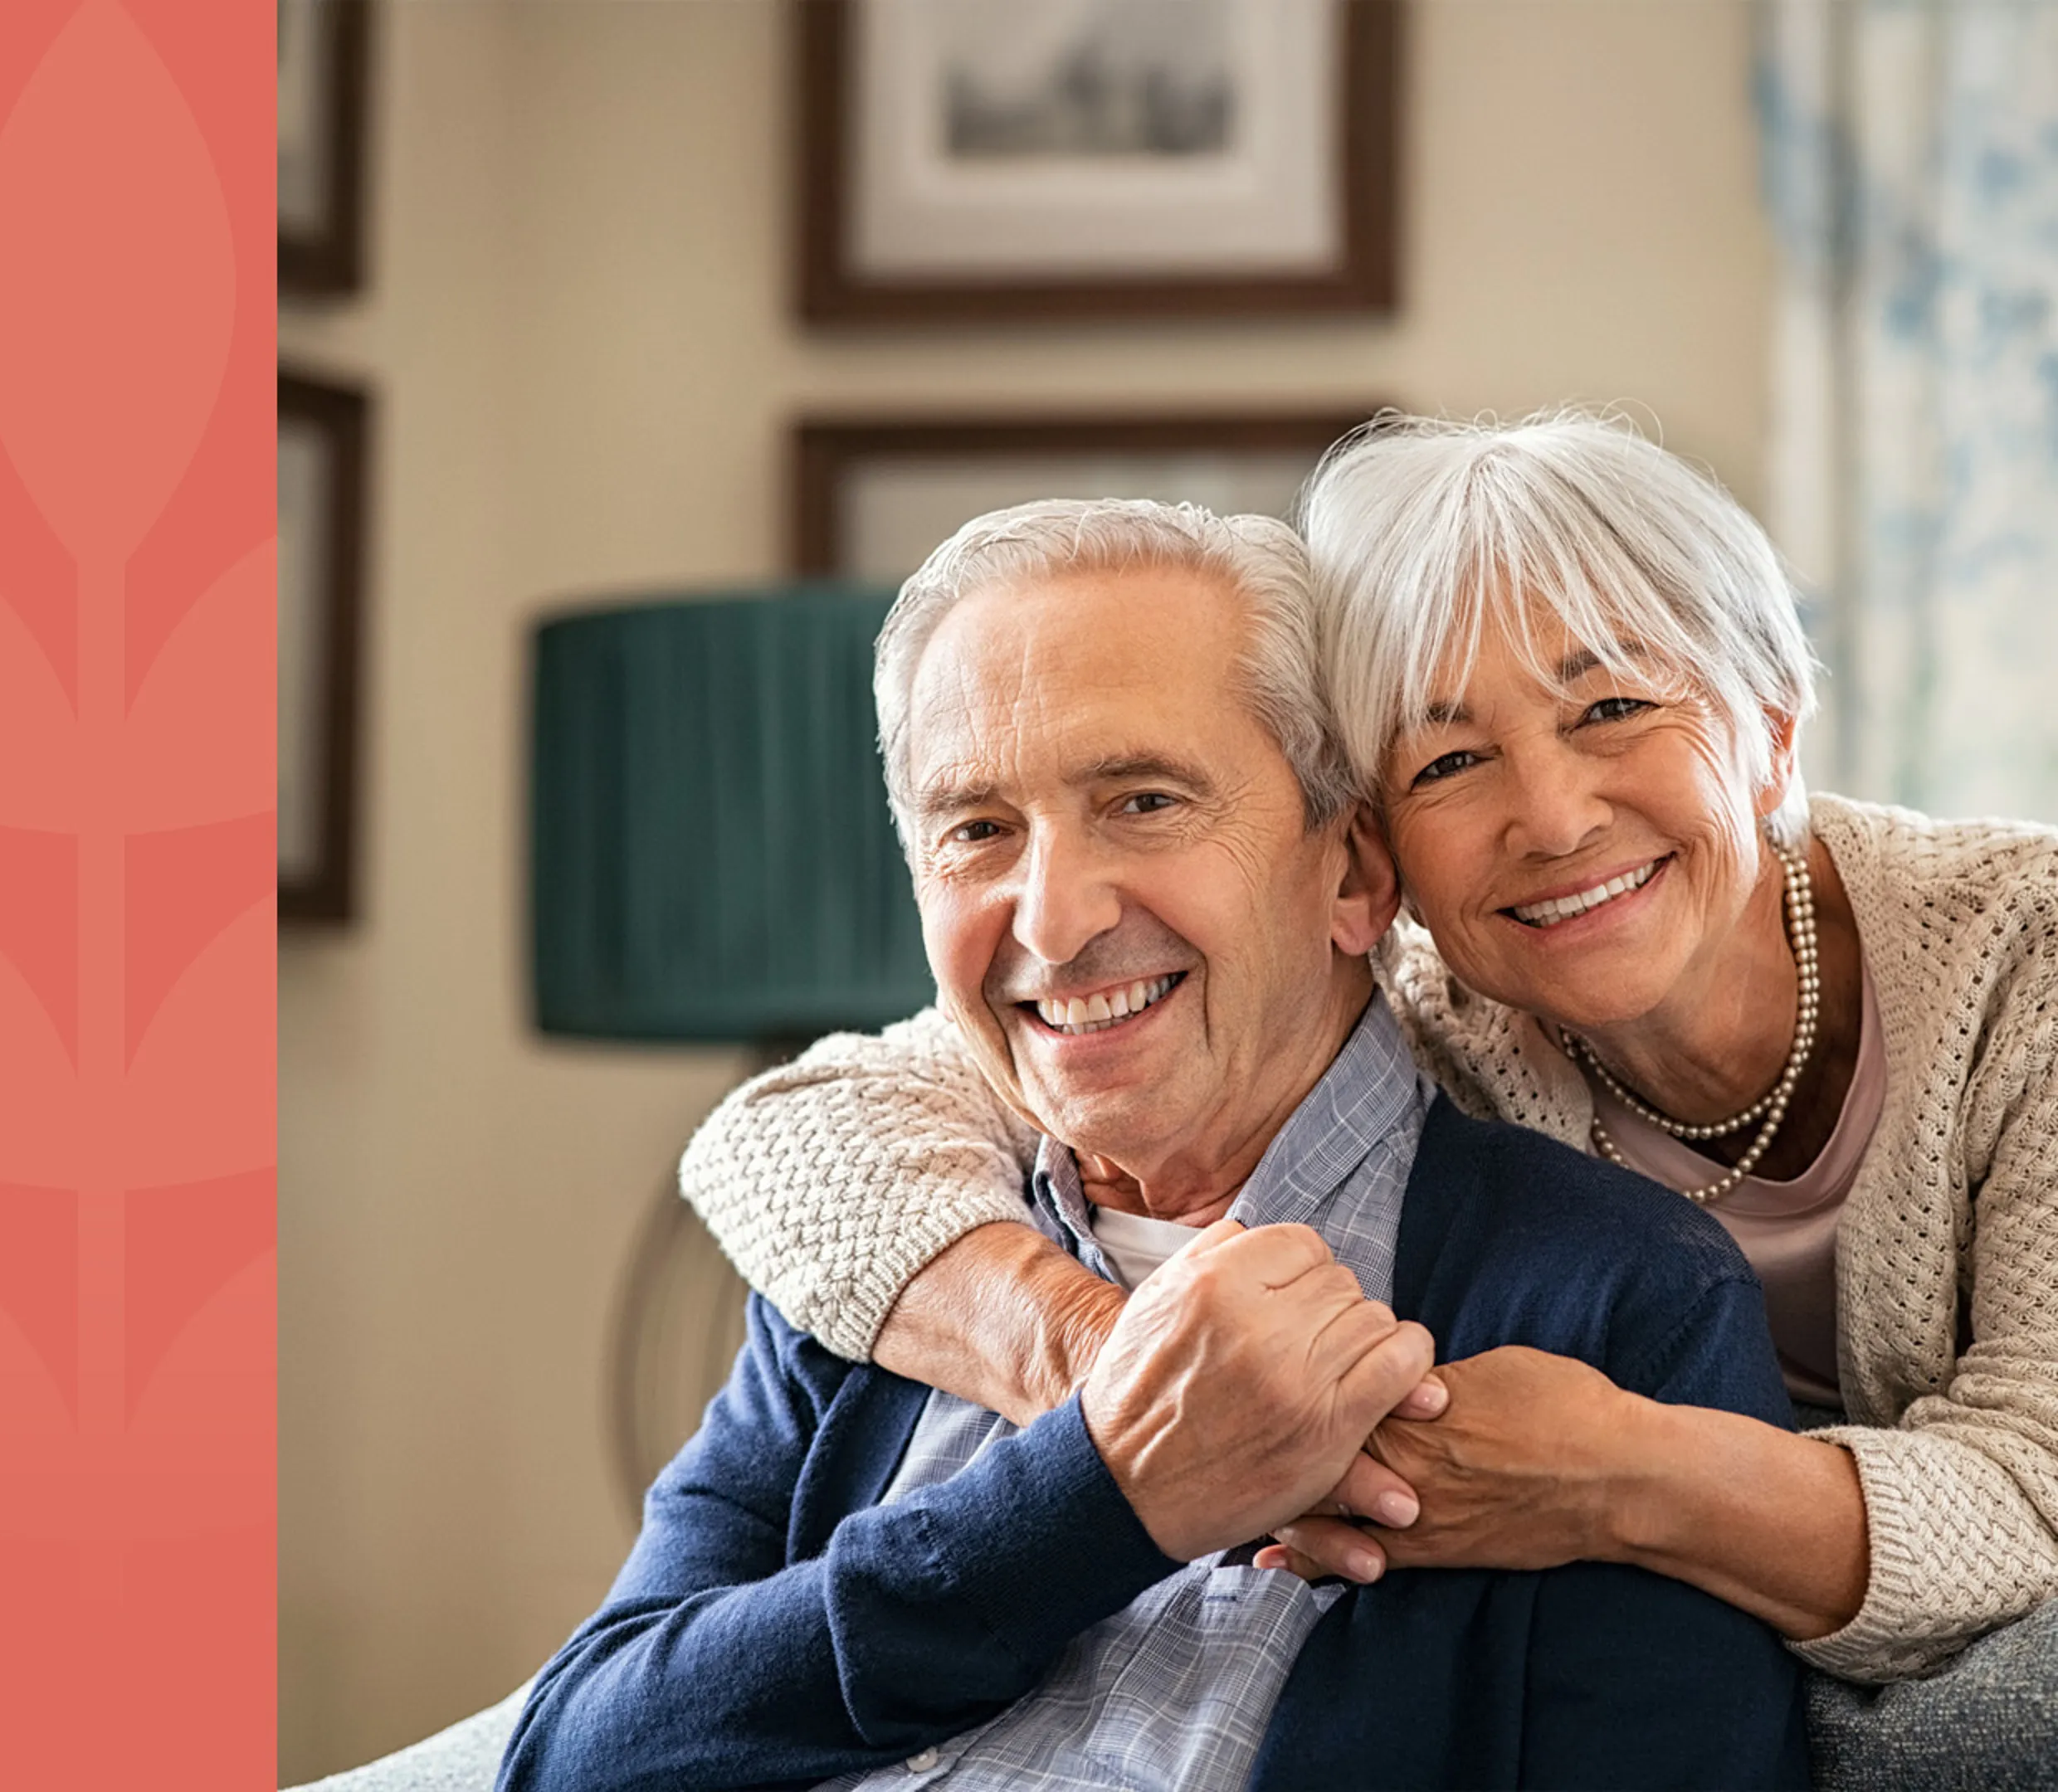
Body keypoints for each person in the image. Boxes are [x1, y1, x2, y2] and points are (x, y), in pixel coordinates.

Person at [680, 412, 2058, 1773]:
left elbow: (2041, 1491)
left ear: (1772, 729)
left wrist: (1620, 1475)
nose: (1554, 817)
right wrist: (1129, 1378)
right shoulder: (1407, 981)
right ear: (1378, 855)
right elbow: (796, 1130)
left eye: (1616, 707)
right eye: (1450, 759)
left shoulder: (2026, 960)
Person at [499, 499, 1806, 1791]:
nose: (1053, 922)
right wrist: (1099, 1500)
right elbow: (568, 1758)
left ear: (1353, 872)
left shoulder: (1611, 1300)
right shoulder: (891, 1268)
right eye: (978, 831)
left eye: (1143, 801)